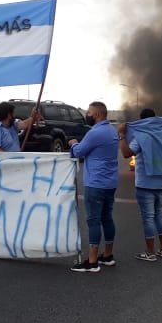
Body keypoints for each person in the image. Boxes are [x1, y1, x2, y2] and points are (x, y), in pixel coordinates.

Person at [119, 108, 162, 262]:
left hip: (145, 184)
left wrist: (121, 136)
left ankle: (150, 252)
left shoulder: (141, 136)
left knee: (148, 218)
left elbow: (127, 153)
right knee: (159, 215)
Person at [68, 102, 120, 273]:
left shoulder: (95, 132)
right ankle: (108, 255)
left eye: (88, 112)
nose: (87, 115)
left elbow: (78, 152)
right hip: (110, 182)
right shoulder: (112, 130)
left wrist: (74, 143)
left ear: (96, 114)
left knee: (93, 220)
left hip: (96, 183)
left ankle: (92, 261)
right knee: (107, 218)